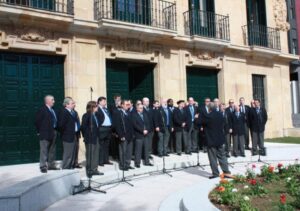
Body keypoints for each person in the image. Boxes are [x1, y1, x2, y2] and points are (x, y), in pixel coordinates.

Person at [200, 102, 231, 179]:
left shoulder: (208, 116)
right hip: (220, 139)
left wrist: (198, 116)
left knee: (212, 158)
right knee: (222, 156)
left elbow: (199, 122)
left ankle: (215, 173)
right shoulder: (220, 114)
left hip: (211, 140)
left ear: (209, 108)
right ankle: (226, 172)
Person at [35, 95, 59, 173]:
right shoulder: (42, 110)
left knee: (52, 149)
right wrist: (39, 132)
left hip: (54, 131)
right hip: (45, 133)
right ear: (48, 101)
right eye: (52, 100)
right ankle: (43, 166)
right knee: (44, 150)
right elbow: (37, 122)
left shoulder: (53, 110)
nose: (54, 101)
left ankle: (51, 165)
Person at [81, 101, 103, 177]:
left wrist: (98, 111)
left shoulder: (96, 115)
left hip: (96, 137)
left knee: (96, 154)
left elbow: (101, 118)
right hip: (90, 138)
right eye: (96, 106)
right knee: (90, 155)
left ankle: (94, 169)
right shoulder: (86, 115)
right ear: (92, 107)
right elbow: (83, 127)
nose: (98, 108)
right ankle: (89, 170)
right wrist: (86, 136)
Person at [113, 100, 135, 170]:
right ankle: (122, 165)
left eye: (128, 105)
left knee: (129, 151)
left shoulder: (129, 113)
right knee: (123, 151)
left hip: (130, 135)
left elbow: (132, 124)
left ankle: (127, 164)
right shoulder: (118, 113)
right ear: (122, 105)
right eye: (126, 104)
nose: (128, 106)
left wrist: (133, 134)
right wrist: (121, 135)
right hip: (123, 136)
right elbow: (117, 126)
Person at [58, 98, 78, 169]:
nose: (74, 104)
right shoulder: (64, 112)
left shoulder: (72, 112)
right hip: (67, 136)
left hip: (74, 135)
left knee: (72, 153)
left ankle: (71, 166)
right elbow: (61, 125)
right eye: (72, 103)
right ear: (66, 105)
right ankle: (66, 168)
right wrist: (65, 133)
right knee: (68, 154)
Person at [96, 97, 113, 167]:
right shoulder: (97, 109)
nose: (105, 102)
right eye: (103, 101)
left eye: (105, 101)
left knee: (107, 145)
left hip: (108, 128)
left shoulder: (106, 109)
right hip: (102, 129)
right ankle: (100, 161)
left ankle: (106, 160)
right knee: (101, 146)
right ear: (99, 102)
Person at [67, 97, 82, 169]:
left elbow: (78, 122)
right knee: (70, 150)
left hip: (76, 133)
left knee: (76, 148)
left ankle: (75, 163)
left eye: (74, 103)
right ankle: (70, 163)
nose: (74, 105)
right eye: (73, 103)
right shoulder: (66, 112)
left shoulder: (75, 112)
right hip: (69, 134)